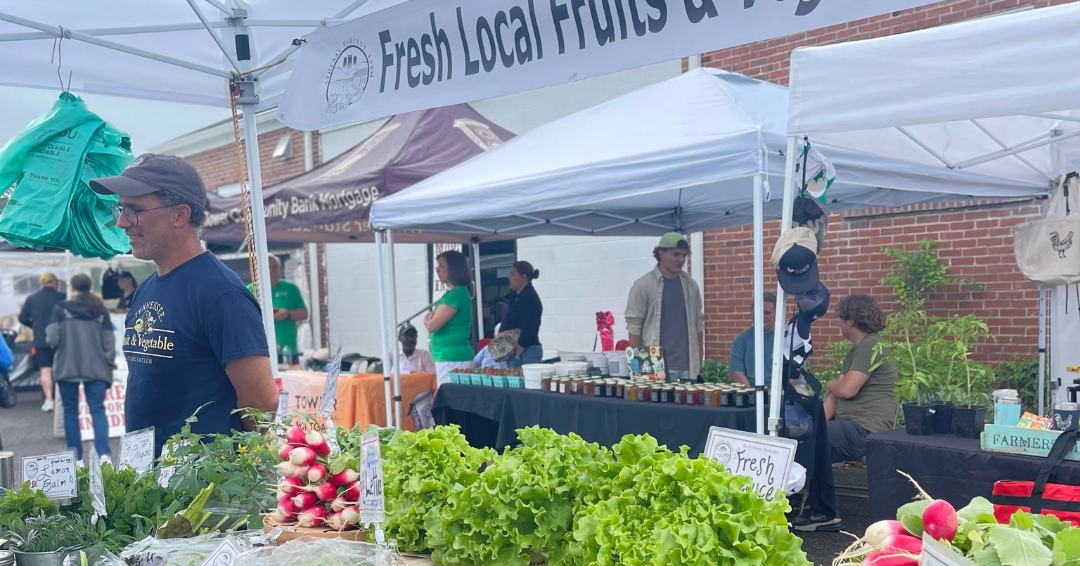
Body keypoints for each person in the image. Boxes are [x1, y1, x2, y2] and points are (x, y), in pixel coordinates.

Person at [90, 153, 278, 456]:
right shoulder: (147, 288)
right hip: (148, 484)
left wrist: (242, 472)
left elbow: (262, 402)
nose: (123, 222)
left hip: (203, 492)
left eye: (135, 210)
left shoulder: (220, 292)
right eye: (121, 209)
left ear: (180, 215)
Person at [45, 273, 115, 464]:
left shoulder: (60, 309)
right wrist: (108, 362)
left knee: (70, 412)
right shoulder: (100, 310)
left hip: (67, 366)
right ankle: (105, 455)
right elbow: (109, 341)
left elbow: (52, 338)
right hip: (96, 368)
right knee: (98, 410)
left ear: (72, 287)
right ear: (89, 286)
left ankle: (76, 458)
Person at [826, 294, 899, 462]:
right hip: (848, 426)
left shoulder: (872, 345)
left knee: (813, 438)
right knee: (806, 436)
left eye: (840, 318)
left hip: (866, 430)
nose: (838, 322)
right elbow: (835, 396)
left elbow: (845, 390)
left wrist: (831, 384)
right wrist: (811, 424)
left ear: (850, 321)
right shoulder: (855, 351)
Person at [625, 233, 705, 383]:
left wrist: (699, 355)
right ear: (661, 253)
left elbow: (698, 322)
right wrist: (638, 367)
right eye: (676, 254)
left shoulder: (691, 286)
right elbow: (634, 325)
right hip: (653, 366)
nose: (681, 260)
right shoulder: (643, 286)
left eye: (684, 255)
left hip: (688, 367)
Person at [424, 250, 474, 386]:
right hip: (450, 356)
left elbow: (432, 325)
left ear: (453, 269)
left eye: (441, 266)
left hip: (452, 357)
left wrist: (426, 320)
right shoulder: (453, 293)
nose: (437, 269)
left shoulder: (456, 294)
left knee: (450, 400)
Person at [19, 272, 65, 411]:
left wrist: (35, 325)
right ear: (55, 282)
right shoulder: (62, 297)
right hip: (61, 339)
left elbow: (22, 318)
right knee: (62, 370)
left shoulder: (31, 298)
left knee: (45, 371)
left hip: (40, 339)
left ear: (42, 283)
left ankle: (49, 401)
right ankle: (62, 401)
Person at [247, 255, 308, 360]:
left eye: (275, 267)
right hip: (261, 350)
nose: (272, 271)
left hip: (288, 349)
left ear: (280, 269)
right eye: (268, 267)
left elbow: (304, 314)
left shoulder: (290, 288)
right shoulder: (251, 289)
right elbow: (243, 318)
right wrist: (264, 316)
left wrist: (288, 314)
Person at [500, 261, 544, 367]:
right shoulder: (516, 295)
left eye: (513, 274)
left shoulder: (528, 297)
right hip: (516, 351)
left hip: (526, 352)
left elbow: (529, 325)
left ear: (523, 277)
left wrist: (520, 349)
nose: (509, 277)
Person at [729, 292, 776, 387]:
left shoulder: (788, 338)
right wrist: (753, 396)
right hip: (752, 390)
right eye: (758, 312)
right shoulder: (741, 340)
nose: (762, 316)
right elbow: (736, 372)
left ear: (776, 313)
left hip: (785, 390)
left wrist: (775, 393)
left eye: (767, 312)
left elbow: (795, 375)